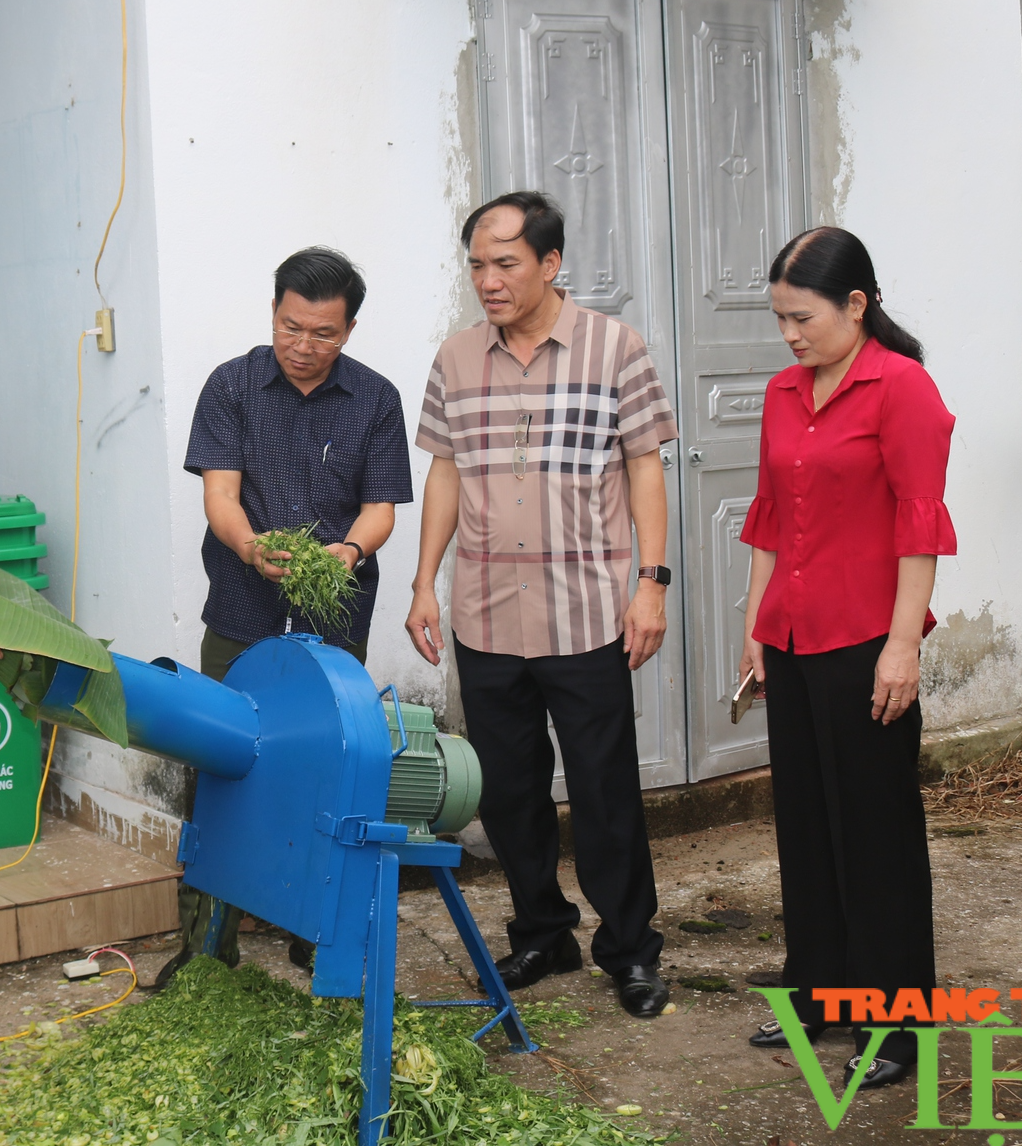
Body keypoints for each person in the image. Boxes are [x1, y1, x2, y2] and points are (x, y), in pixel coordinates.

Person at [406, 190, 676, 1020]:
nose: (488, 280)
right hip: (485, 610)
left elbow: (644, 467)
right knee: (508, 791)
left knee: (604, 790)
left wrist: (651, 583)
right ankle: (542, 929)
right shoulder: (455, 358)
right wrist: (425, 580)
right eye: (478, 265)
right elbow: (444, 471)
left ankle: (629, 949)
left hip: (586, 610)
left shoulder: (614, 348)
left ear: (550, 264)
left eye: (506, 264)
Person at [736, 227, 954, 1090]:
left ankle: (900, 1024)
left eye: (804, 317)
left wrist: (903, 645)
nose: (790, 335)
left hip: (867, 641)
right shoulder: (785, 390)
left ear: (856, 304)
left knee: (877, 834)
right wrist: (753, 624)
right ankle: (819, 994)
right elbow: (765, 515)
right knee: (806, 823)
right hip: (791, 637)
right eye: (781, 319)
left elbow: (920, 524)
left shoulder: (902, 389)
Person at [167, 246, 413, 982]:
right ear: (272, 311)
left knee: (333, 771)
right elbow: (220, 496)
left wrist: (347, 552)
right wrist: (250, 546)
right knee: (217, 763)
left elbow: (380, 511)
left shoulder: (375, 398)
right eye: (290, 327)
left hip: (334, 619)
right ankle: (208, 943)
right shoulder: (233, 385)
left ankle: (319, 929)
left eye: (324, 334)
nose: (304, 348)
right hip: (242, 608)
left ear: (351, 328)